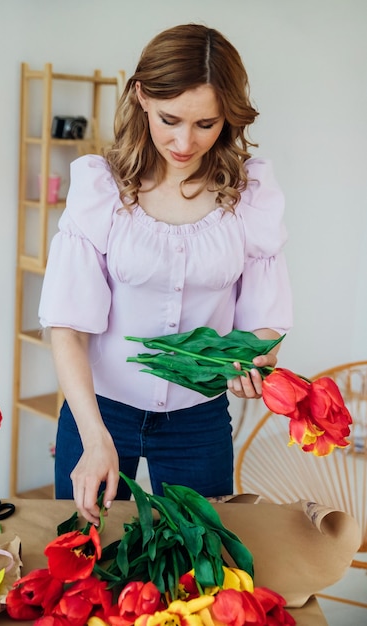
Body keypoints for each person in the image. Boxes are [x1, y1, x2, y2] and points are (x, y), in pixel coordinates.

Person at [38, 23, 293, 525]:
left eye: (206, 124)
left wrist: (255, 357)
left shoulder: (249, 196)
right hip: (100, 411)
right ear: (141, 96)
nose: (184, 141)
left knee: (199, 570)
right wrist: (94, 438)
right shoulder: (102, 190)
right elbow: (67, 327)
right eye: (170, 119)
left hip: (199, 419)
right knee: (89, 559)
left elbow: (265, 320)